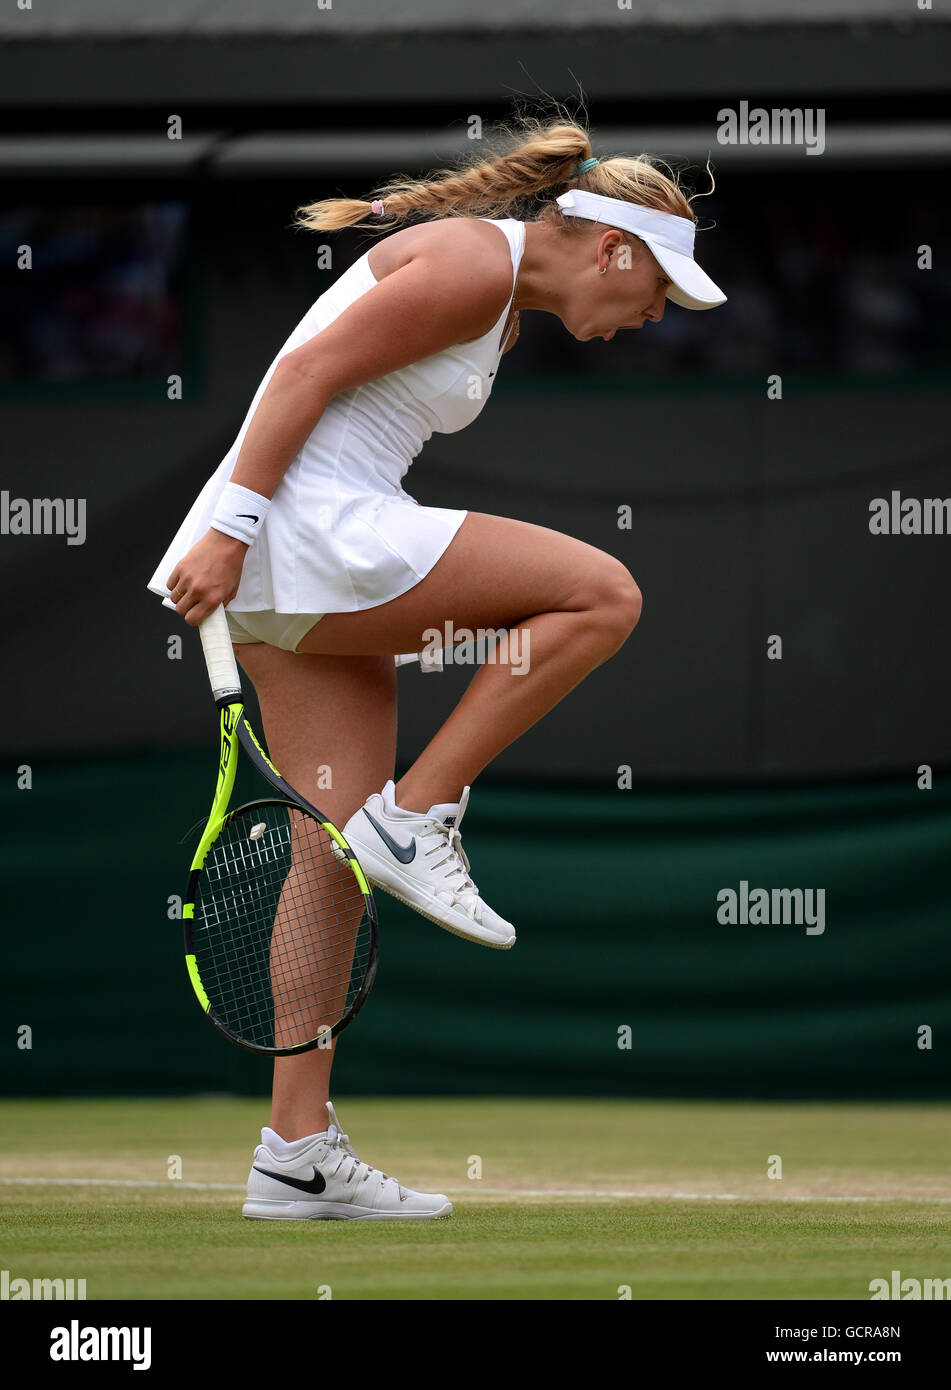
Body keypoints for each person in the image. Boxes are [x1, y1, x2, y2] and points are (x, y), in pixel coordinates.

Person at [146, 114, 726, 1221]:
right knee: (603, 593)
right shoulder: (473, 262)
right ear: (613, 248)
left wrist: (235, 536)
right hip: (305, 534)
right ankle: (421, 816)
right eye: (659, 290)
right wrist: (229, 529)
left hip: (292, 557)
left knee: (328, 848)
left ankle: (295, 1150)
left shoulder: (492, 292)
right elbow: (304, 371)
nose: (655, 315)